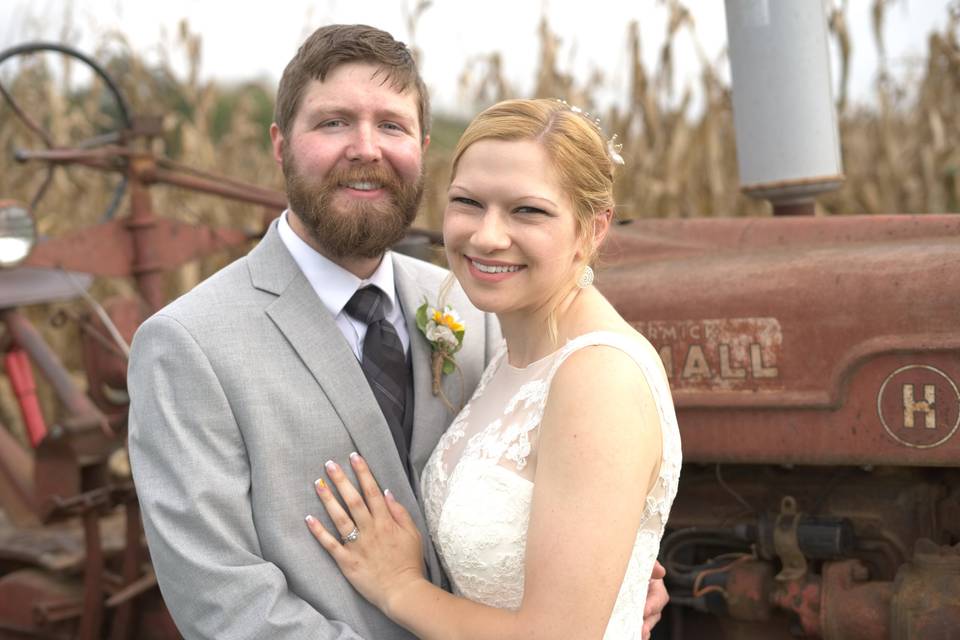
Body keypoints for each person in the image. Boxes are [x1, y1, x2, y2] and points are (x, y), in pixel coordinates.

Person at [128, 24, 668, 640]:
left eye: (391, 125)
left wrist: (604, 577)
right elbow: (225, 606)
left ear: (422, 146)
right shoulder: (187, 343)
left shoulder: (475, 308)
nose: (366, 148)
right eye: (333, 122)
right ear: (280, 145)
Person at [304, 98, 682, 639]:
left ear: (593, 227)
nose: (486, 236)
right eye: (468, 203)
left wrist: (401, 588)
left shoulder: (600, 378)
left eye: (527, 211)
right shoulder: (510, 350)